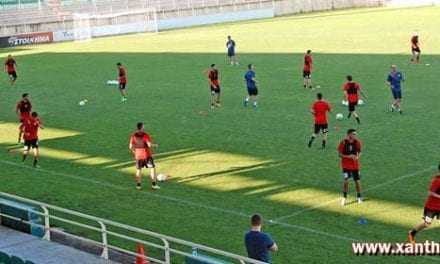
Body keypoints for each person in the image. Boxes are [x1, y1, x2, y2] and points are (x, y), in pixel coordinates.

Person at [408, 163, 440, 243]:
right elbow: (431, 192)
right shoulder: (437, 180)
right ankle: (412, 233)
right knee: (427, 224)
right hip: (431, 207)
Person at [129, 122, 160, 190]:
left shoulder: (133, 135)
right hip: (146, 155)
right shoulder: (145, 135)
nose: (144, 128)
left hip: (138, 156)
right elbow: (149, 145)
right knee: (152, 168)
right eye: (144, 127)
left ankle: (138, 186)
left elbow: (130, 147)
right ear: (142, 127)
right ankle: (154, 185)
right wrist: (155, 145)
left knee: (138, 170)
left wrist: (135, 152)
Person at [338, 129, 363, 205]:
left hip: (355, 165)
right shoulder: (343, 142)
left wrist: (357, 157)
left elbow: (360, 152)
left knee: (357, 181)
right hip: (346, 165)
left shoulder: (357, 142)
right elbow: (339, 154)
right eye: (353, 134)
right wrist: (348, 156)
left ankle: (359, 197)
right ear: (349, 134)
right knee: (346, 181)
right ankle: (344, 198)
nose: (355, 135)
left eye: (355, 134)